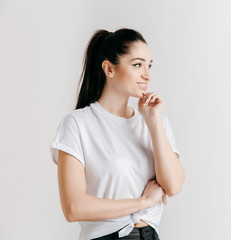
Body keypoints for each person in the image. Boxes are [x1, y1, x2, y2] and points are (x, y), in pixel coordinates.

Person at [49, 28, 186, 240]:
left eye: (149, 65)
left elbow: (174, 185)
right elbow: (73, 208)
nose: (147, 74)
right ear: (109, 69)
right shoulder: (78, 124)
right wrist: (143, 202)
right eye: (137, 65)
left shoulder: (155, 120)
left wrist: (153, 123)